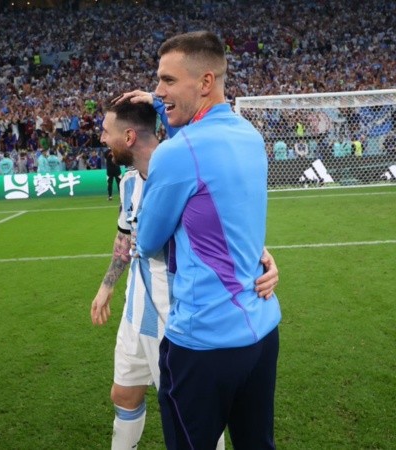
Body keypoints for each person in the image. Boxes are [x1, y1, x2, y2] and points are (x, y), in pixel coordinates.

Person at [91, 99, 279, 449]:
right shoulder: (130, 183)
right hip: (138, 308)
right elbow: (125, 238)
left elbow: (225, 226)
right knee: (124, 393)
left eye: (106, 131)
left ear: (129, 136)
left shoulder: (185, 168)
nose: (101, 138)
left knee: (197, 416)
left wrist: (261, 257)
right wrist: (107, 286)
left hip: (178, 313)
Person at [135, 31, 282, 449]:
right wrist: (263, 254)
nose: (158, 91)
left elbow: (147, 242)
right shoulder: (251, 136)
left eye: (166, 81)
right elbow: (237, 222)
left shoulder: (178, 153)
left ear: (205, 82)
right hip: (261, 330)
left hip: (204, 340)